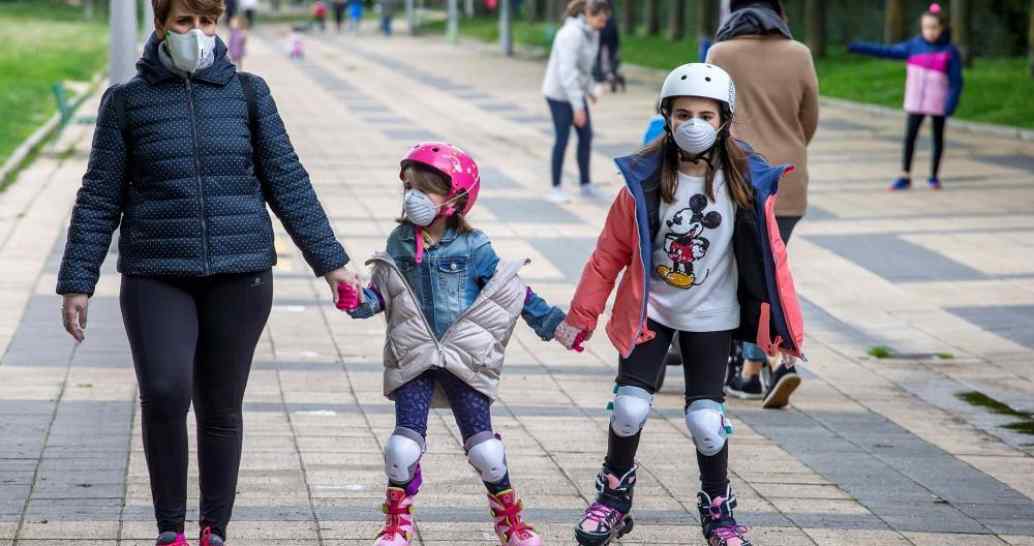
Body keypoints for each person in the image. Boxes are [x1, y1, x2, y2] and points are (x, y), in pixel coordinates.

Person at [56, 1, 359, 545]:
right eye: (184, 22)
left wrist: (331, 262)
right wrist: (78, 280)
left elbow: (287, 180)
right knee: (165, 391)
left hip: (240, 273)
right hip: (156, 272)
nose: (197, 33)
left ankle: (213, 529)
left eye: (206, 22)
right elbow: (99, 197)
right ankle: (170, 529)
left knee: (220, 405)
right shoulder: (126, 102)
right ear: (160, 26)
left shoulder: (249, 94)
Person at [557, 63, 804, 546]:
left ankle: (719, 512)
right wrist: (581, 316)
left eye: (705, 116)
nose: (694, 124)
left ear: (724, 120)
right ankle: (612, 500)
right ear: (666, 118)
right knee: (628, 408)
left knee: (706, 422)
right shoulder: (644, 181)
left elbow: (775, 261)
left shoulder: (746, 183)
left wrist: (785, 332)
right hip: (652, 312)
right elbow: (608, 254)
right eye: (683, 114)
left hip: (713, 317)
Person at [343, 143, 573, 546]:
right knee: (402, 448)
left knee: (486, 452)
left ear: (455, 199)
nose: (412, 197)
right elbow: (383, 293)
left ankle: (510, 522)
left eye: (424, 190)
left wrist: (556, 325)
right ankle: (397, 522)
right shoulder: (400, 241)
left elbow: (510, 291)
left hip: (463, 359)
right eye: (408, 187)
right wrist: (356, 299)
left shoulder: (474, 246)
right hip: (414, 355)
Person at [706, 0, 818, 408]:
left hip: (737, 178)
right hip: (788, 181)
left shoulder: (720, 54)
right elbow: (809, 120)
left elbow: (706, 115)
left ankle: (756, 367)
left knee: (744, 275)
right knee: (769, 271)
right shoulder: (800, 54)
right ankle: (759, 365)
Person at [849, 2, 963, 191]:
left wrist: (951, 103)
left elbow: (956, 81)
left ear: (942, 28)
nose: (930, 31)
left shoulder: (950, 51)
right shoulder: (914, 46)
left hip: (938, 103)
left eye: (934, 27)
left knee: (937, 139)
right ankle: (905, 175)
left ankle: (934, 177)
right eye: (926, 27)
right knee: (910, 137)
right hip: (916, 101)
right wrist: (859, 47)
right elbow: (886, 51)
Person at [541, 0, 611, 204]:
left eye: (605, 20)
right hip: (558, 93)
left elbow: (584, 70)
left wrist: (591, 91)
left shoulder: (593, 33)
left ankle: (586, 185)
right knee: (562, 138)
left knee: (586, 136)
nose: (603, 24)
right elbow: (567, 73)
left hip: (574, 92)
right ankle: (555, 188)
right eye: (601, 19)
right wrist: (578, 107)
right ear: (589, 14)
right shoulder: (570, 34)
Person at [593, 15, 625, 93]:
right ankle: (610, 82)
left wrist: (617, 50)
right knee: (604, 68)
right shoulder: (600, 23)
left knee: (610, 68)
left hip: (610, 49)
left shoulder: (611, 23)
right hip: (603, 49)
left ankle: (614, 82)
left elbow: (616, 38)